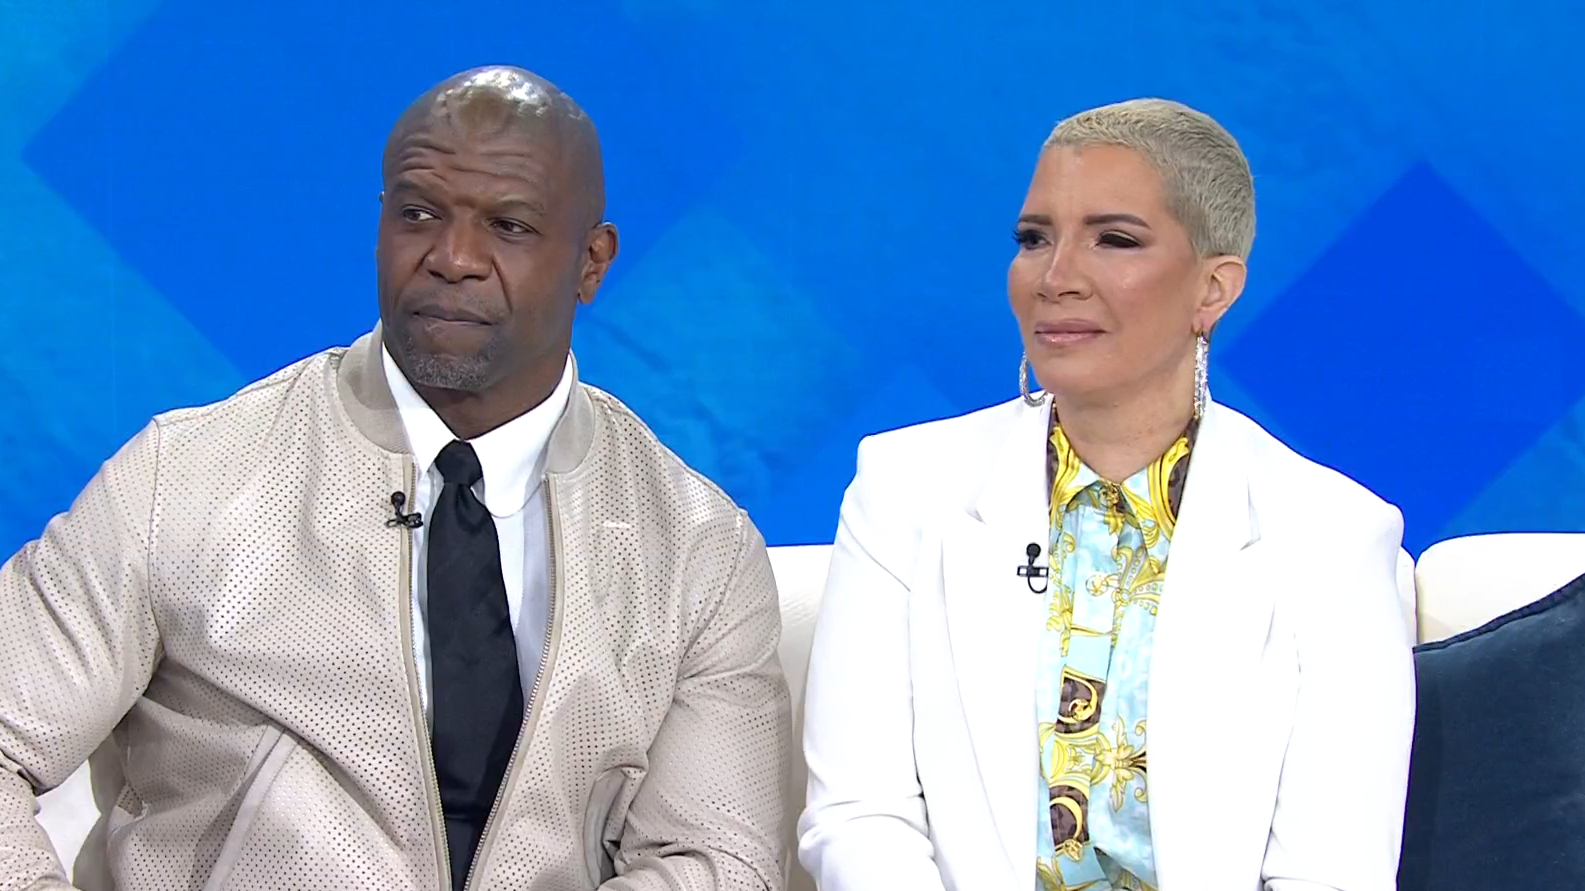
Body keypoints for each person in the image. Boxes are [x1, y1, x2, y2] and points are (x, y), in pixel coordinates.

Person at [0, 66, 789, 891]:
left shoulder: (695, 549)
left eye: (508, 226)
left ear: (590, 263)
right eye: (417, 214)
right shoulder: (186, 478)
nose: (452, 258)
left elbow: (714, 858)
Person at [797, 98, 1415, 891]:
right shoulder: (904, 490)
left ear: (1212, 288)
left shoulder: (1330, 536)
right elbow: (859, 816)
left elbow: (1332, 872)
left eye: (1113, 240)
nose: (1055, 279)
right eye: (1034, 239)